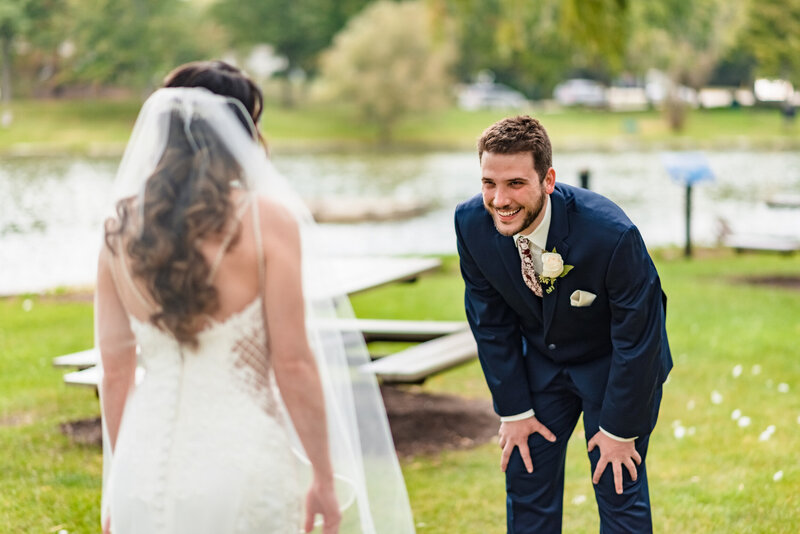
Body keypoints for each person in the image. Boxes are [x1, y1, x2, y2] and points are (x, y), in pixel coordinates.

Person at [95, 61, 415, 534]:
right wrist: (324, 478)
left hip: (143, 468)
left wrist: (119, 479)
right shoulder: (268, 221)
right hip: (239, 463)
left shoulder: (120, 229)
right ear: (238, 131)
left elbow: (115, 370)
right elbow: (294, 364)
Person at [454, 115, 672, 533]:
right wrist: (513, 409)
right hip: (541, 361)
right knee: (525, 475)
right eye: (489, 183)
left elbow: (638, 337)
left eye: (516, 183)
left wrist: (620, 429)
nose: (500, 200)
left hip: (614, 364)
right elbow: (490, 322)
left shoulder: (611, 234)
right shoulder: (471, 225)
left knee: (618, 485)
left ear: (548, 179)